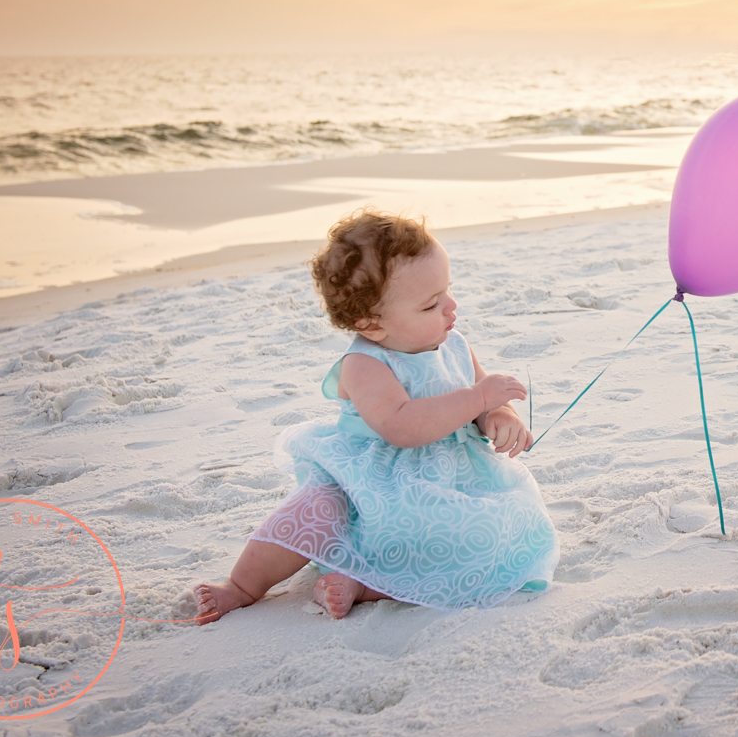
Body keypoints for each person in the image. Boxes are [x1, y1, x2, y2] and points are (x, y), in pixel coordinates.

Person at [195, 210, 558, 622]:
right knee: (310, 512)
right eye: (430, 304)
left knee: (485, 532)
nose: (451, 307)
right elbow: (402, 425)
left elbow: (482, 406)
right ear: (370, 324)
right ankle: (242, 586)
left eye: (448, 291)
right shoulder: (365, 365)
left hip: (449, 476)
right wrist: (477, 398)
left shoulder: (453, 343)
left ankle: (363, 585)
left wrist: (499, 415)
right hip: (368, 483)